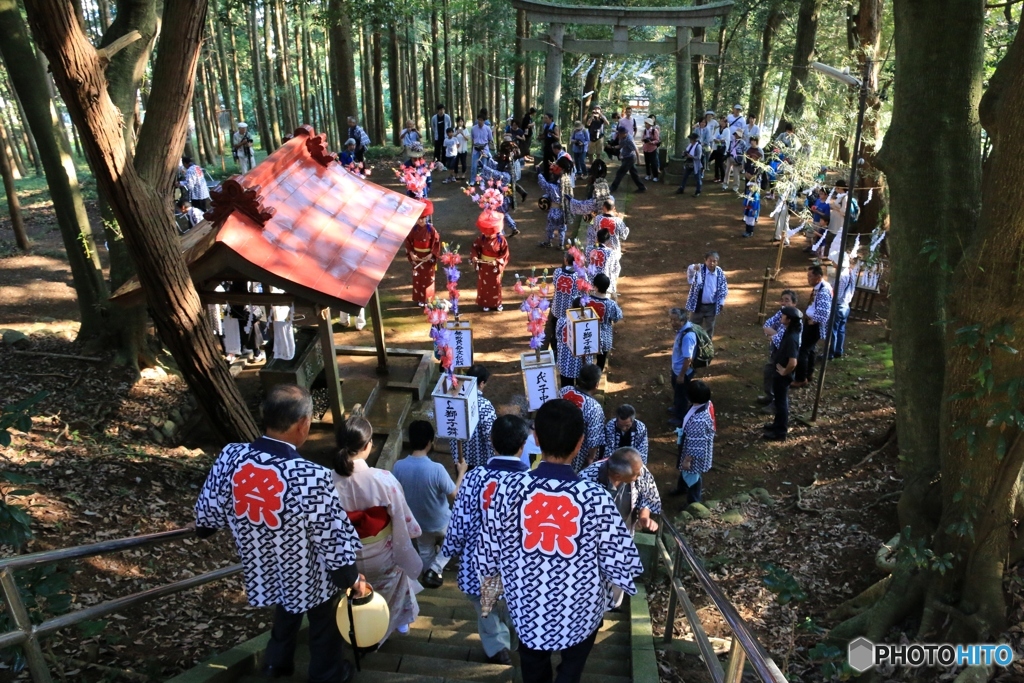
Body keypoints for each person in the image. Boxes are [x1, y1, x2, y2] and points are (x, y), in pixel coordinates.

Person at [194, 385, 365, 683]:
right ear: (303, 424)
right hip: (309, 572)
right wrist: (351, 579)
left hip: (263, 565)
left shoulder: (231, 457)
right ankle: (328, 674)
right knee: (324, 621)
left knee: (286, 608)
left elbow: (206, 521)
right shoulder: (310, 476)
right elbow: (333, 541)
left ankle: (276, 663)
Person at [477, 398, 643, 683]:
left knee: (533, 666)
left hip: (527, 606)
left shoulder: (506, 491)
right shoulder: (596, 498)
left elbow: (489, 554)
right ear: (580, 443)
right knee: (571, 670)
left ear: (536, 438)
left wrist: (490, 597)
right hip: (581, 608)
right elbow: (621, 565)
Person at [440, 414, 530, 665]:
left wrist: (446, 554)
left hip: (477, 565)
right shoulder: (532, 484)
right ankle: (513, 642)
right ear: (523, 445)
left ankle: (498, 646)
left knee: (485, 608)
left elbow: (458, 524)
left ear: (491, 441)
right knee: (515, 608)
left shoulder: (474, 477)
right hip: (517, 568)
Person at [332, 415, 423, 642]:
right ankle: (399, 624)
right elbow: (402, 518)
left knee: (353, 592)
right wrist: (408, 538)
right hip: (381, 554)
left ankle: (358, 630)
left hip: (345, 559)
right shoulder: (383, 479)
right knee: (399, 577)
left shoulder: (324, 482)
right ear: (367, 445)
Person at [578, 447, 660, 609]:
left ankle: (613, 605)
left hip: (623, 533)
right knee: (594, 575)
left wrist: (644, 516)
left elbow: (647, 493)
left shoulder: (638, 470)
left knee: (619, 572)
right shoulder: (587, 479)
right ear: (618, 476)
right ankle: (593, 608)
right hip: (595, 539)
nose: (639, 476)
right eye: (635, 475)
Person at [393, 420, 468, 589]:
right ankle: (437, 567)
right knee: (455, 539)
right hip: (440, 521)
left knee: (425, 549)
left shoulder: (398, 467)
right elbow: (455, 494)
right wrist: (462, 472)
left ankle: (429, 574)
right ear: (429, 442)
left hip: (417, 522)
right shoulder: (437, 469)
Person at [671, 380, 716, 503]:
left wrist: (687, 459)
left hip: (694, 454)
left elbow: (695, 444)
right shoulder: (706, 404)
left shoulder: (699, 420)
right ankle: (682, 488)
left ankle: (694, 502)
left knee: (693, 475)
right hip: (693, 447)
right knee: (685, 470)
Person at [447, 364, 498, 469]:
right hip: (480, 464)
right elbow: (491, 435)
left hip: (460, 461)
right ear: (482, 383)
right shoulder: (484, 405)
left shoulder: (453, 402)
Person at [763, 308, 802, 441]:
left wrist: (785, 372)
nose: (781, 317)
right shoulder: (788, 331)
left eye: (784, 316)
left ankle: (780, 432)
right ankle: (776, 425)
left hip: (783, 376)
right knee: (779, 401)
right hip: (779, 371)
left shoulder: (792, 338)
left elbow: (793, 362)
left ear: (789, 320)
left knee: (781, 403)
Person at [559, 363, 606, 472]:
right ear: (596, 385)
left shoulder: (564, 391)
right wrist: (591, 458)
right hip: (577, 452)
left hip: (556, 442)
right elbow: (594, 440)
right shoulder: (594, 408)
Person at [759, 290, 800, 412]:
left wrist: (774, 336)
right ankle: (770, 396)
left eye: (787, 300)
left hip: (785, 355)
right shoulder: (782, 313)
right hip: (776, 352)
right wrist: (776, 335)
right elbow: (766, 325)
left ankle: (777, 405)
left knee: (779, 381)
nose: (783, 303)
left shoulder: (795, 319)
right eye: (782, 300)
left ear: (794, 303)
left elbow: (780, 340)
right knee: (768, 372)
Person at [794, 265, 833, 387]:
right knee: (810, 350)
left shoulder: (823, 290)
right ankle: (809, 373)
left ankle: (801, 378)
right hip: (811, 321)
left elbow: (824, 311)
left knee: (803, 350)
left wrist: (814, 319)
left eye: (810, 276)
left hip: (814, 325)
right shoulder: (819, 288)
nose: (808, 279)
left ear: (818, 277)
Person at [470, 209, 509, 312]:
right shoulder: (481, 239)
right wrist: (474, 257)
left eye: (489, 231)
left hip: (495, 266)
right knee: (484, 285)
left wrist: (497, 261)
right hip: (484, 266)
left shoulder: (501, 240)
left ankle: (497, 303)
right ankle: (485, 303)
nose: (487, 234)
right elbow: (475, 248)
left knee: (496, 284)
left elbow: (505, 254)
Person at [403, 199, 440, 305]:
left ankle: (428, 299)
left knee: (428, 279)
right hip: (417, 257)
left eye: (423, 219)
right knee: (418, 278)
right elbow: (408, 243)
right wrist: (411, 254)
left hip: (427, 258)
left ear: (426, 218)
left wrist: (431, 254)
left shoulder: (432, 230)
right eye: (419, 219)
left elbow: (436, 243)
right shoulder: (412, 230)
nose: (421, 221)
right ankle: (419, 298)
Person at [685, 251, 728, 338]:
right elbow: (690, 272)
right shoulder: (700, 269)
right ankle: (693, 342)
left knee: (709, 327)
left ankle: (707, 345)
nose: (711, 263)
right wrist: (694, 267)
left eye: (714, 261)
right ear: (705, 260)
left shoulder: (719, 272)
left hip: (712, 306)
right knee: (693, 326)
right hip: (698, 305)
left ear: (717, 262)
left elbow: (723, 288)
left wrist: (722, 302)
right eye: (709, 260)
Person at [546, 251, 581, 357]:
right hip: (570, 311)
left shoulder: (557, 272)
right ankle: (566, 352)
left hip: (557, 308)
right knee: (569, 332)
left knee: (555, 333)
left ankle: (555, 352)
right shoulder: (578, 276)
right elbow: (582, 291)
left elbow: (554, 283)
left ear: (565, 260)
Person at [669, 307, 697, 426]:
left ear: (683, 320)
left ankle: (681, 417)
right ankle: (677, 407)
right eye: (671, 320)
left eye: (675, 320)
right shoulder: (682, 330)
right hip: (677, 369)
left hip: (682, 371)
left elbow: (688, 358)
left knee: (682, 394)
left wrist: (681, 375)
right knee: (677, 390)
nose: (672, 323)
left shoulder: (688, 336)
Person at [587, 273, 622, 370]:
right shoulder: (611, 304)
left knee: (586, 360)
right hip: (604, 338)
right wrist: (616, 300)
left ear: (595, 287)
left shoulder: (586, 300)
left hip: (587, 335)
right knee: (600, 362)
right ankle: (597, 379)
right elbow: (617, 317)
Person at [608, 126, 646, 194]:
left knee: (620, 172)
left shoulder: (629, 139)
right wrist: (612, 147)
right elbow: (620, 146)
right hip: (626, 157)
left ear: (624, 133)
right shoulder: (623, 137)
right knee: (634, 174)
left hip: (630, 158)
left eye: (620, 133)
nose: (618, 135)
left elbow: (636, 149)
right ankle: (642, 187)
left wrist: (639, 160)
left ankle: (613, 187)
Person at [831, 257, 856, 359]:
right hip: (846, 305)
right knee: (841, 329)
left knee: (833, 331)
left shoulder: (841, 276)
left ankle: (830, 353)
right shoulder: (851, 273)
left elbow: (838, 294)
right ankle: (838, 350)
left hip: (839, 306)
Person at [826, 180, 850, 263]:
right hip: (834, 221)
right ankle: (830, 257)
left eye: (837, 187)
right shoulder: (840, 196)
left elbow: (844, 211)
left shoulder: (845, 197)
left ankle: (835, 259)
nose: (836, 189)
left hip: (839, 222)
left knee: (836, 240)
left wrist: (834, 207)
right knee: (831, 238)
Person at [675, 132, 703, 196]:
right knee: (685, 176)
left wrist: (691, 156)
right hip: (689, 163)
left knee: (697, 178)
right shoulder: (690, 145)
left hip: (696, 164)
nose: (690, 140)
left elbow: (699, 157)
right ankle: (682, 188)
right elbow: (687, 151)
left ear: (694, 139)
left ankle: (698, 191)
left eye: (691, 139)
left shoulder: (698, 146)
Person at [470, 109, 494, 177]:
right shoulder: (473, 128)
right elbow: (472, 138)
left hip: (484, 149)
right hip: (476, 149)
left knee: (484, 166)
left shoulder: (487, 128)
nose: (480, 121)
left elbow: (490, 139)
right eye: (479, 120)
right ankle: (472, 180)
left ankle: (483, 180)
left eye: (481, 120)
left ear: (484, 121)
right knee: (474, 166)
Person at [711, 115, 730, 183]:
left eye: (723, 121)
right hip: (716, 148)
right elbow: (713, 136)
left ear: (725, 123)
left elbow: (727, 139)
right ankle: (716, 177)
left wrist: (720, 140)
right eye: (721, 121)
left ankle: (723, 178)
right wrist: (715, 140)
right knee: (716, 164)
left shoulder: (727, 130)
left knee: (720, 164)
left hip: (722, 149)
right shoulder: (717, 129)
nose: (722, 123)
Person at [641, 117, 661, 181]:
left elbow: (657, 140)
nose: (645, 124)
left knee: (653, 163)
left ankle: (655, 176)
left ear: (650, 124)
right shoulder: (644, 131)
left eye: (646, 123)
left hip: (652, 149)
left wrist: (651, 142)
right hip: (646, 148)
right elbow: (642, 137)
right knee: (647, 162)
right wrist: (644, 139)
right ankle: (648, 174)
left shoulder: (654, 131)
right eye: (645, 123)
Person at [453, 116, 470, 181]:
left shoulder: (465, 130)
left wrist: (462, 134)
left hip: (463, 149)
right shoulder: (454, 129)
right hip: (456, 149)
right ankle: (456, 174)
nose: (460, 123)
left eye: (461, 121)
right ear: (457, 123)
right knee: (456, 162)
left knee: (463, 162)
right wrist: (457, 133)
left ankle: (463, 173)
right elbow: (452, 138)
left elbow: (467, 139)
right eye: (459, 121)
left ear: (463, 122)